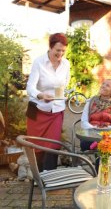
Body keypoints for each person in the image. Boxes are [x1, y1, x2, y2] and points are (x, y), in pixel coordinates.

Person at [26, 33, 70, 171]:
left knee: (53, 144)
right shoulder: (39, 62)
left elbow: (64, 84)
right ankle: (39, 177)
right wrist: (40, 95)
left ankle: (50, 176)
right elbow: (30, 87)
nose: (60, 53)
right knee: (37, 144)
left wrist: (64, 95)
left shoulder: (66, 64)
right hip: (38, 109)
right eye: (58, 50)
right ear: (50, 48)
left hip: (56, 109)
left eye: (63, 50)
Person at [80, 79, 111, 169]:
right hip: (89, 137)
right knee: (107, 148)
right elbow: (83, 122)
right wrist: (96, 129)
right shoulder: (91, 102)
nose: (103, 86)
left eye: (107, 85)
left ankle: (100, 175)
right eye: (103, 84)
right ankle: (101, 175)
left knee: (109, 147)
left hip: (108, 137)